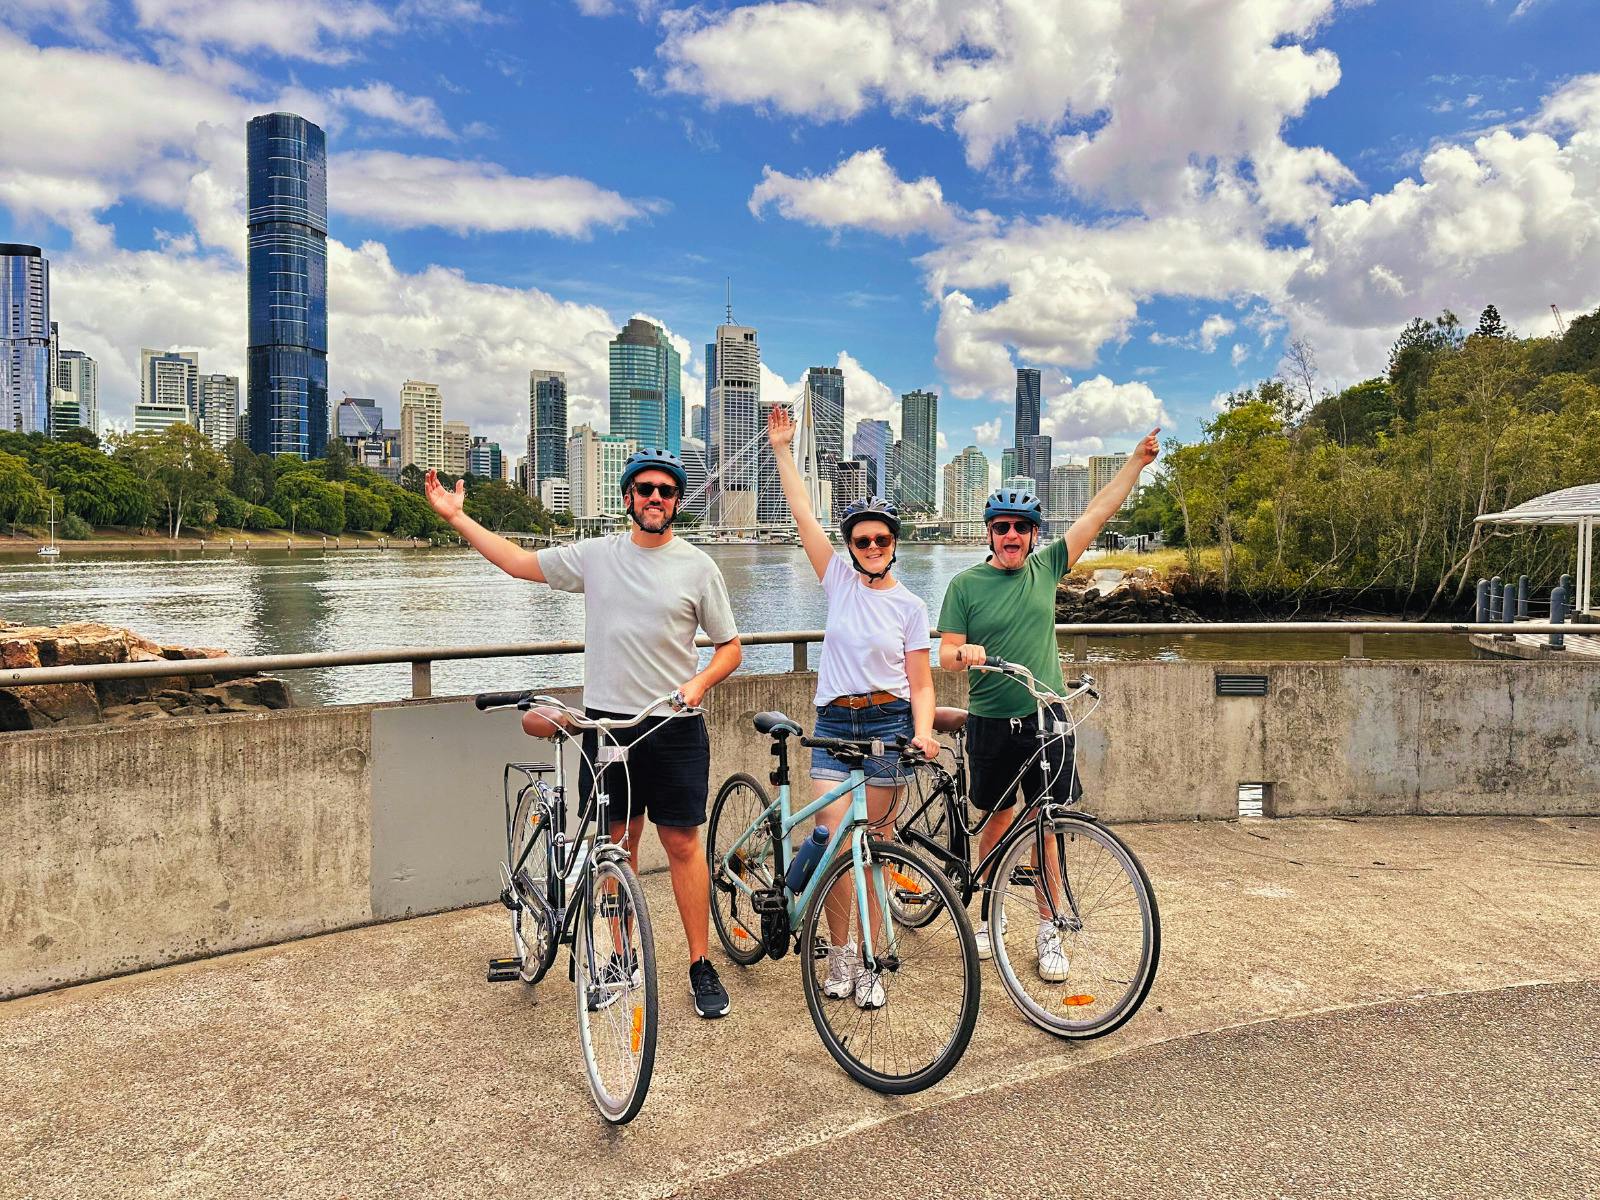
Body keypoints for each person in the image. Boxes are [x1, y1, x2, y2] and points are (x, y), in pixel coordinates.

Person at [423, 449, 743, 1018]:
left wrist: (699, 683)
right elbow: (519, 563)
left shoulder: (698, 567)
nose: (655, 498)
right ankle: (619, 959)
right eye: (645, 489)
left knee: (683, 844)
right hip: (608, 727)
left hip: (673, 726)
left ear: (677, 502)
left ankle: (700, 964)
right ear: (628, 498)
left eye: (666, 491)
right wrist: (456, 517)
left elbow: (730, 648)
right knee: (617, 846)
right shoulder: (596, 556)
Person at [936, 429, 1160, 978]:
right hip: (991, 719)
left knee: (1047, 822)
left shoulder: (1047, 567)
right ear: (990, 533)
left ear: (1035, 534)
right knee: (995, 817)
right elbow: (944, 655)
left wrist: (1136, 462)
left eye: (1021, 527)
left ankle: (1048, 926)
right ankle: (987, 913)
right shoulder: (965, 585)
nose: (1011, 535)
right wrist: (966, 653)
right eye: (1001, 527)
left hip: (1047, 716)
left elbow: (1097, 514)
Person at [766, 404, 940, 1009]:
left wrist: (924, 732)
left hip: (889, 724)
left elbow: (922, 683)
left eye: (880, 539)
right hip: (836, 722)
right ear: (851, 546)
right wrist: (782, 448)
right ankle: (839, 952)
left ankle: (871, 961)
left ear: (894, 545)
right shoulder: (837, 579)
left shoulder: (911, 607)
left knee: (875, 847)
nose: (870, 546)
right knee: (836, 841)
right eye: (861, 540)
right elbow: (802, 515)